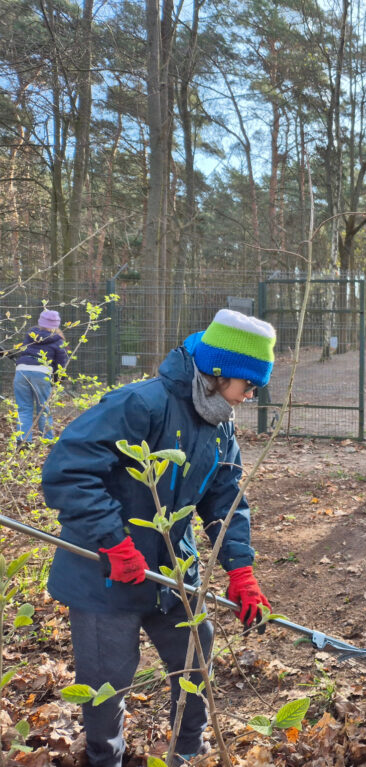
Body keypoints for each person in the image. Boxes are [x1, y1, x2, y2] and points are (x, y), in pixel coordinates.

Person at [41, 309, 276, 767]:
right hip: (104, 575)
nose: (250, 395)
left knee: (195, 662)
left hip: (172, 573)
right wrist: (112, 541)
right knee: (106, 687)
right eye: (248, 384)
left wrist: (241, 570)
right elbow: (68, 471)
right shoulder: (140, 404)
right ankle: (105, 759)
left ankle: (188, 753)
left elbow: (226, 499)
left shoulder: (220, 423)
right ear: (219, 372)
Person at [13, 308, 69, 444]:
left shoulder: (30, 336)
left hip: (21, 371)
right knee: (44, 408)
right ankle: (47, 441)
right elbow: (61, 365)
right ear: (56, 325)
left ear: (40, 322)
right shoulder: (59, 341)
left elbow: (23, 352)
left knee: (23, 408)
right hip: (41, 373)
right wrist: (57, 381)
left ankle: (23, 442)